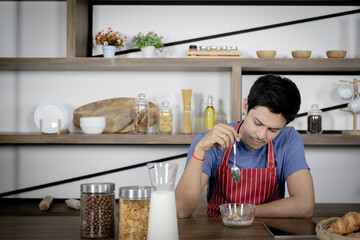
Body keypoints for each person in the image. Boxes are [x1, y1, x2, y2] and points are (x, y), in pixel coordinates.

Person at [175, 74, 315, 218]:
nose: (261, 135)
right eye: (257, 123)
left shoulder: (288, 139)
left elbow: (304, 206)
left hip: (267, 229)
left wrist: (242, 212)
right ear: (245, 106)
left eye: (273, 130)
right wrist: (200, 150)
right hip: (219, 230)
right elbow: (182, 210)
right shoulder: (210, 141)